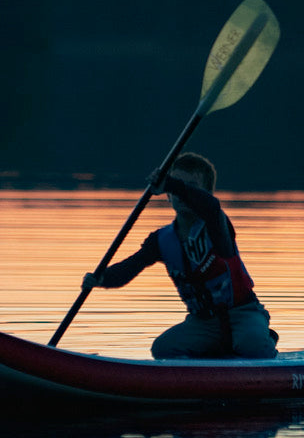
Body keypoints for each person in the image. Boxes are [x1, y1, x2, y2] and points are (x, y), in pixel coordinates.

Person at [82, 152, 277, 359]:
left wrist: (173, 184)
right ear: (167, 196)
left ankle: (263, 339)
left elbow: (211, 206)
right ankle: (212, 359)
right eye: (175, 187)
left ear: (204, 193)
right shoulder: (161, 240)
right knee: (163, 348)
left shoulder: (217, 223)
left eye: (190, 186)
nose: (182, 194)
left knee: (251, 344)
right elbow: (129, 268)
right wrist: (100, 278)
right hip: (203, 322)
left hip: (243, 314)